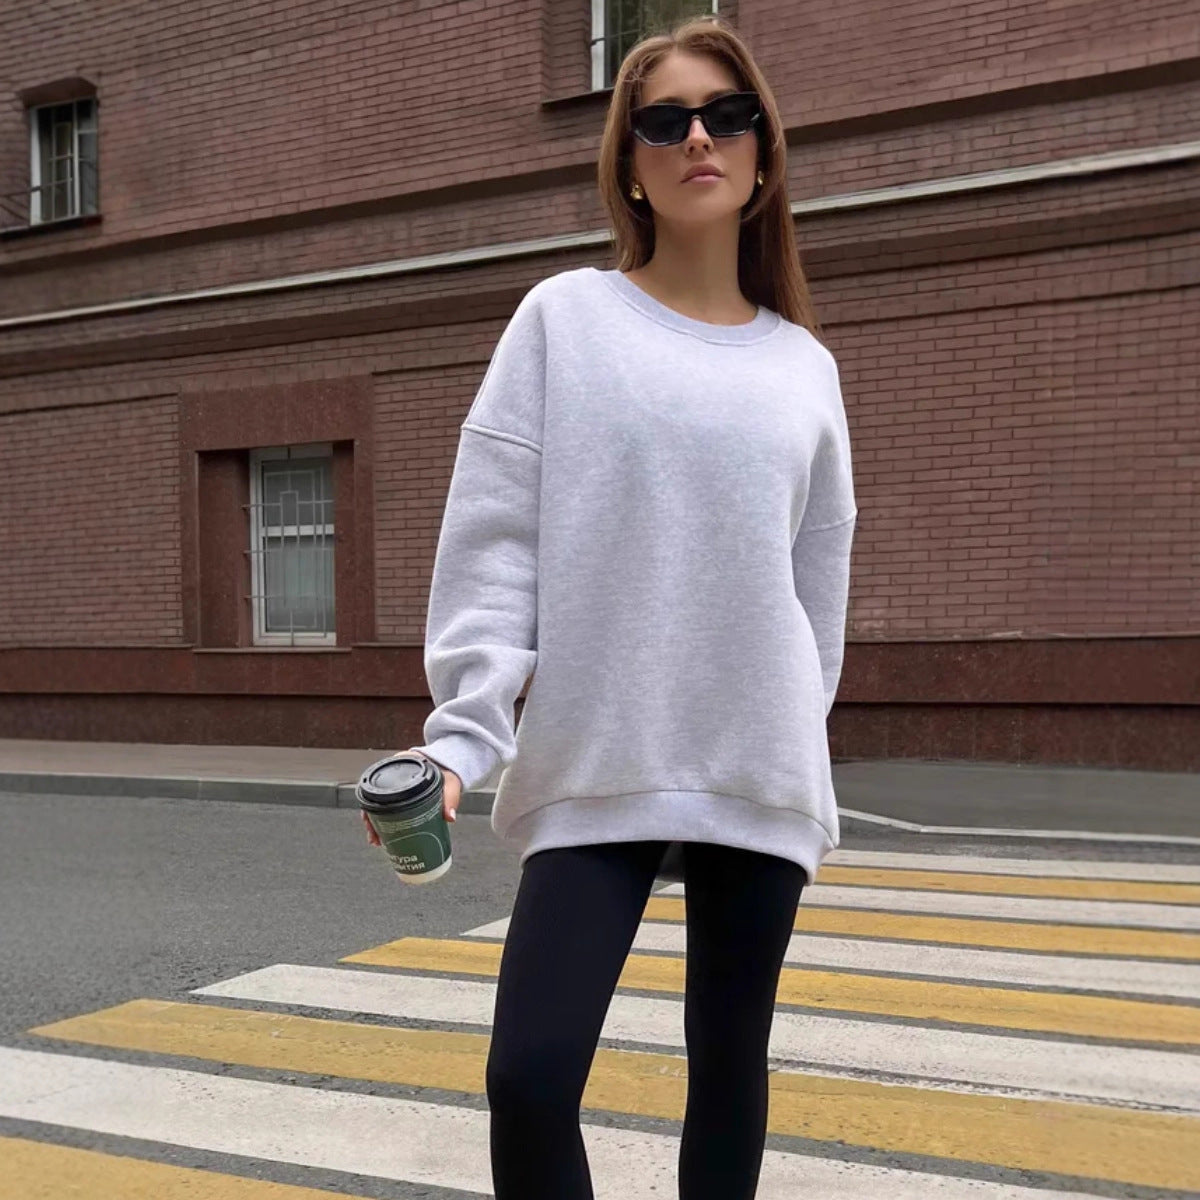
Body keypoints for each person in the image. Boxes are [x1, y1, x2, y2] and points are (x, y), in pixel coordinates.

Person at [364, 14, 857, 1199]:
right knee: (530, 1077)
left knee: (728, 1069)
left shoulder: (804, 366)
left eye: (727, 115)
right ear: (629, 163)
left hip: (756, 762)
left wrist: (797, 732)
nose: (699, 138)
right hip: (598, 751)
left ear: (763, 151)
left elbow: (816, 586)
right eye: (665, 120)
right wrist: (462, 738)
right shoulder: (565, 320)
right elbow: (495, 543)